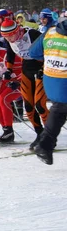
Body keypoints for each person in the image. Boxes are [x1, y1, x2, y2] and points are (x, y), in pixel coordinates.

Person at [0, 18, 48, 149]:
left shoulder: (32, 34)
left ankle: (50, 136)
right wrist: (9, 70)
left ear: (17, 30)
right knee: (28, 107)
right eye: (6, 36)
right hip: (26, 68)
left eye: (11, 35)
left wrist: (44, 69)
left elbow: (48, 51)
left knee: (40, 105)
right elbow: (10, 54)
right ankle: (40, 134)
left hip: (41, 68)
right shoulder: (9, 40)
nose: (9, 39)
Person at [29, 14, 67, 164]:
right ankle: (44, 145)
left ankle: (44, 145)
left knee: (59, 110)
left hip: (51, 80)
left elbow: (33, 52)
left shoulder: (50, 31)